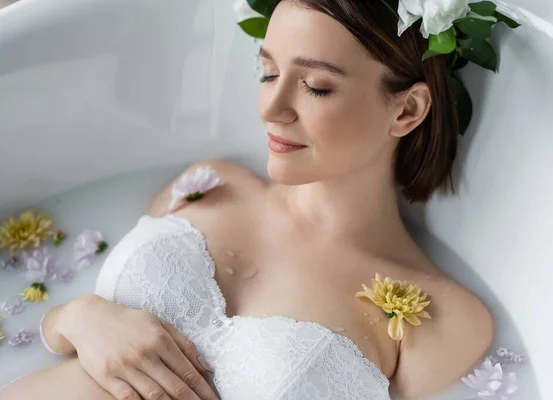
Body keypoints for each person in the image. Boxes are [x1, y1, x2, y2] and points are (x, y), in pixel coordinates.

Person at [0, 1, 493, 399]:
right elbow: (64, 342)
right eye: (267, 73)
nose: (270, 107)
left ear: (406, 110)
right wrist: (79, 317)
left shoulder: (443, 318)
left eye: (316, 87)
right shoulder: (210, 184)